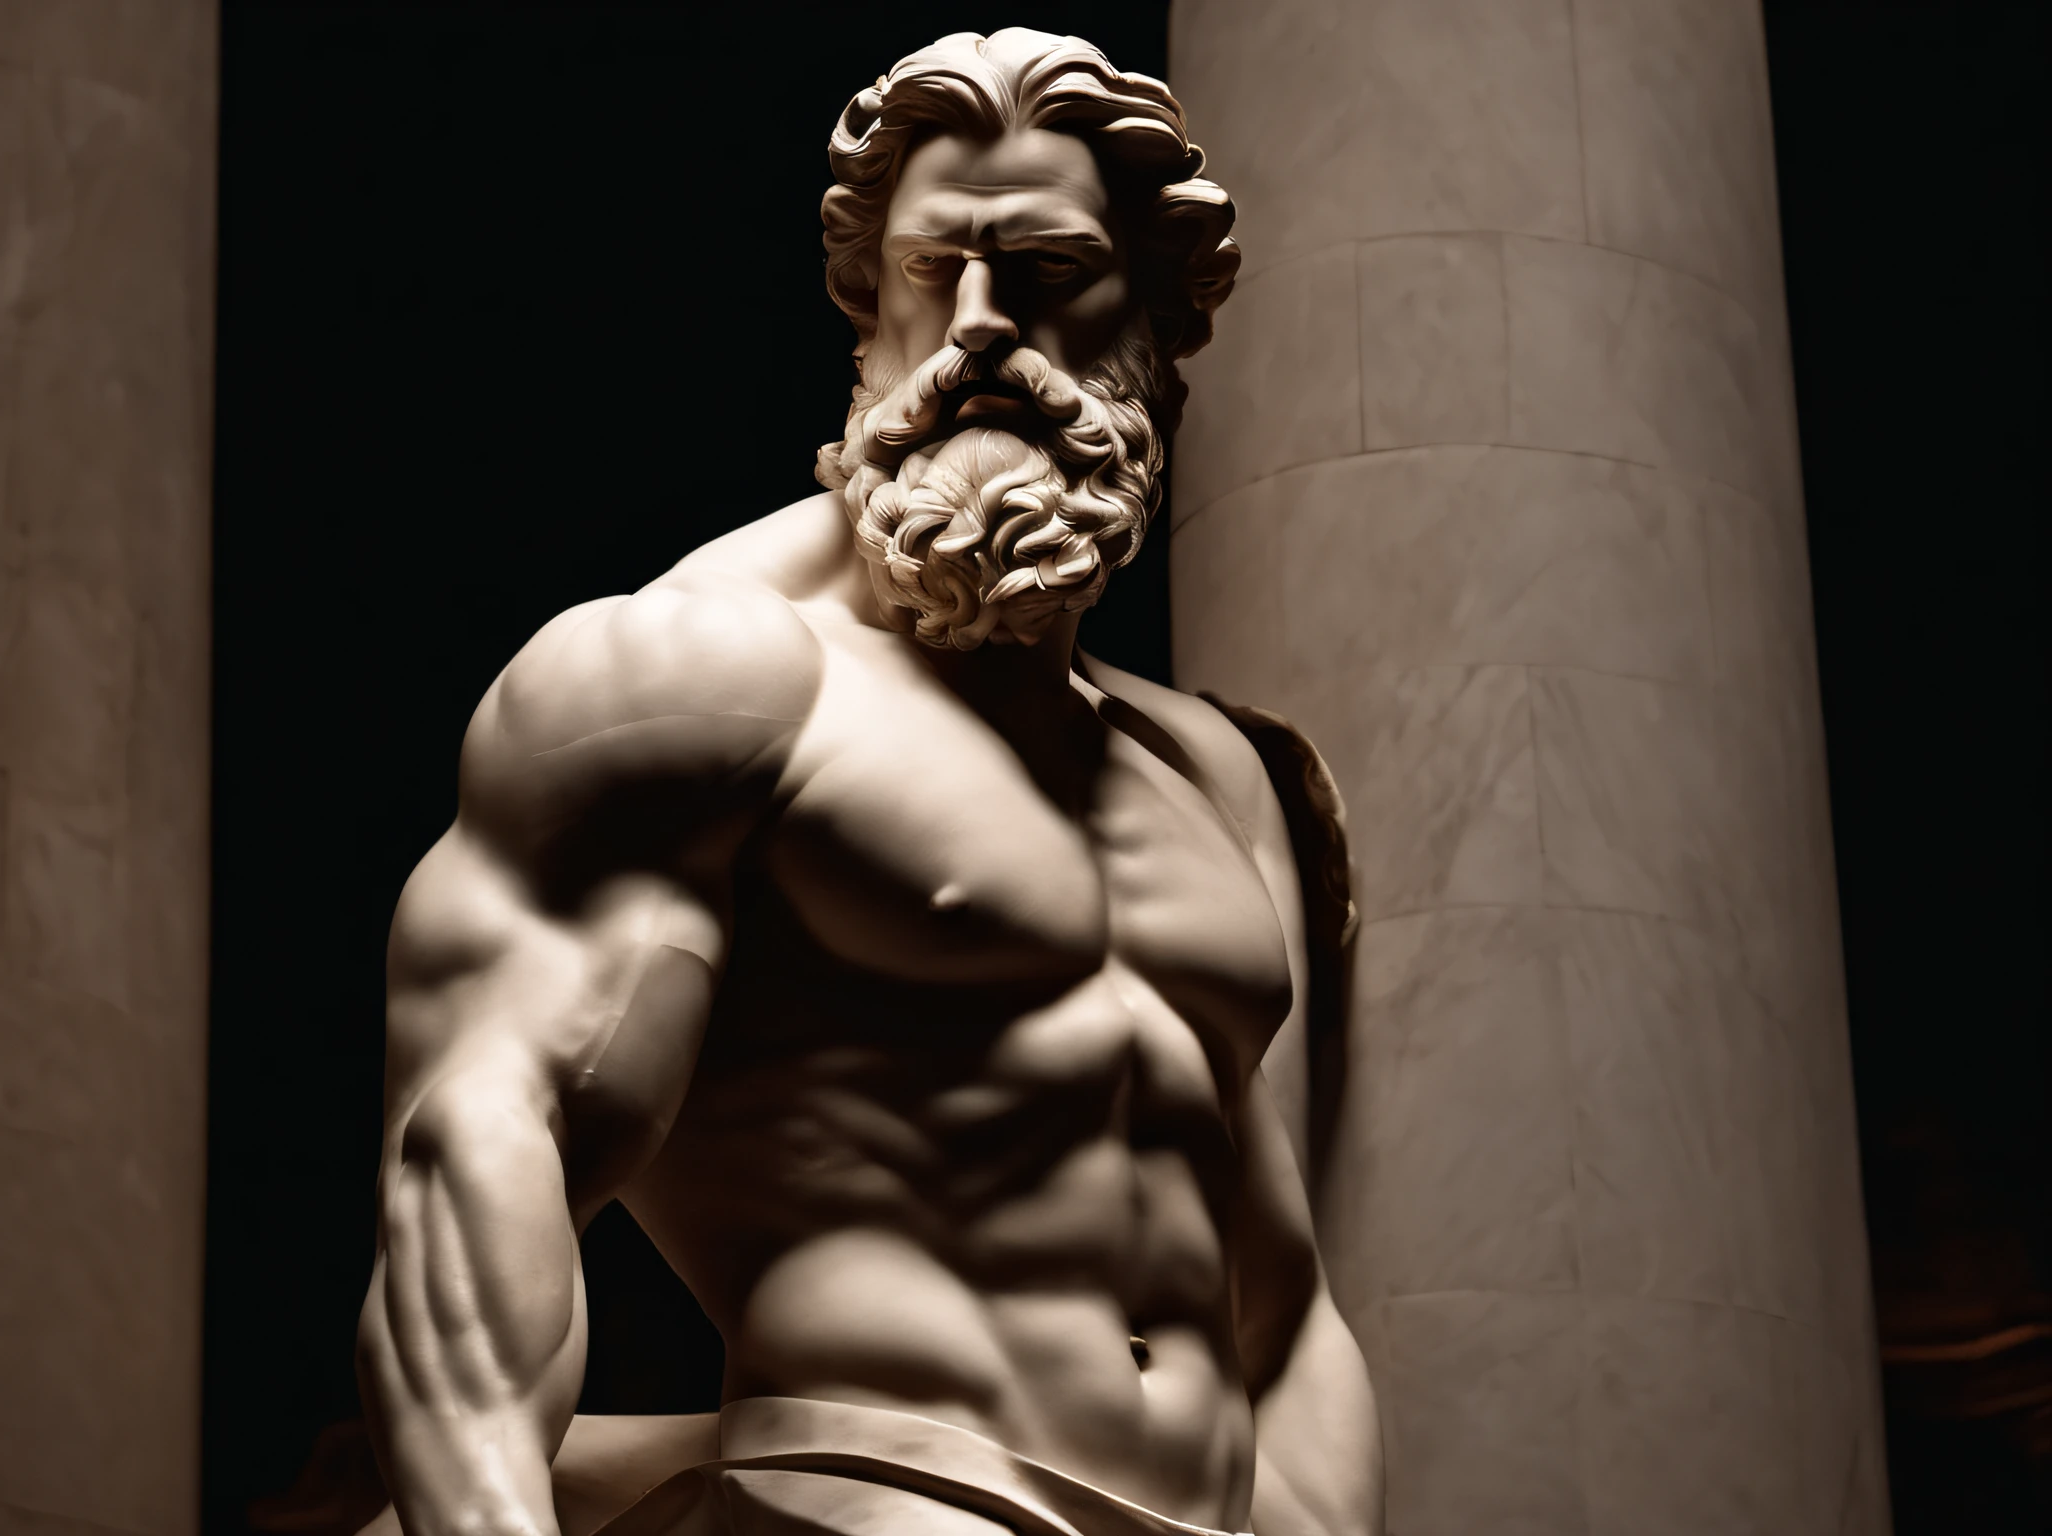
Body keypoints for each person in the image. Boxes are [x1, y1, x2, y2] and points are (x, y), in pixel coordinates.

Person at [356, 30, 1381, 1536]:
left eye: (1042, 270)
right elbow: (481, 1152)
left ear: (1151, 322)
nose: (977, 328)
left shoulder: (1205, 775)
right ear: (868, 304)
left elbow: (1279, 1306)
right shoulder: (704, 683)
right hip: (882, 1496)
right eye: (932, 271)